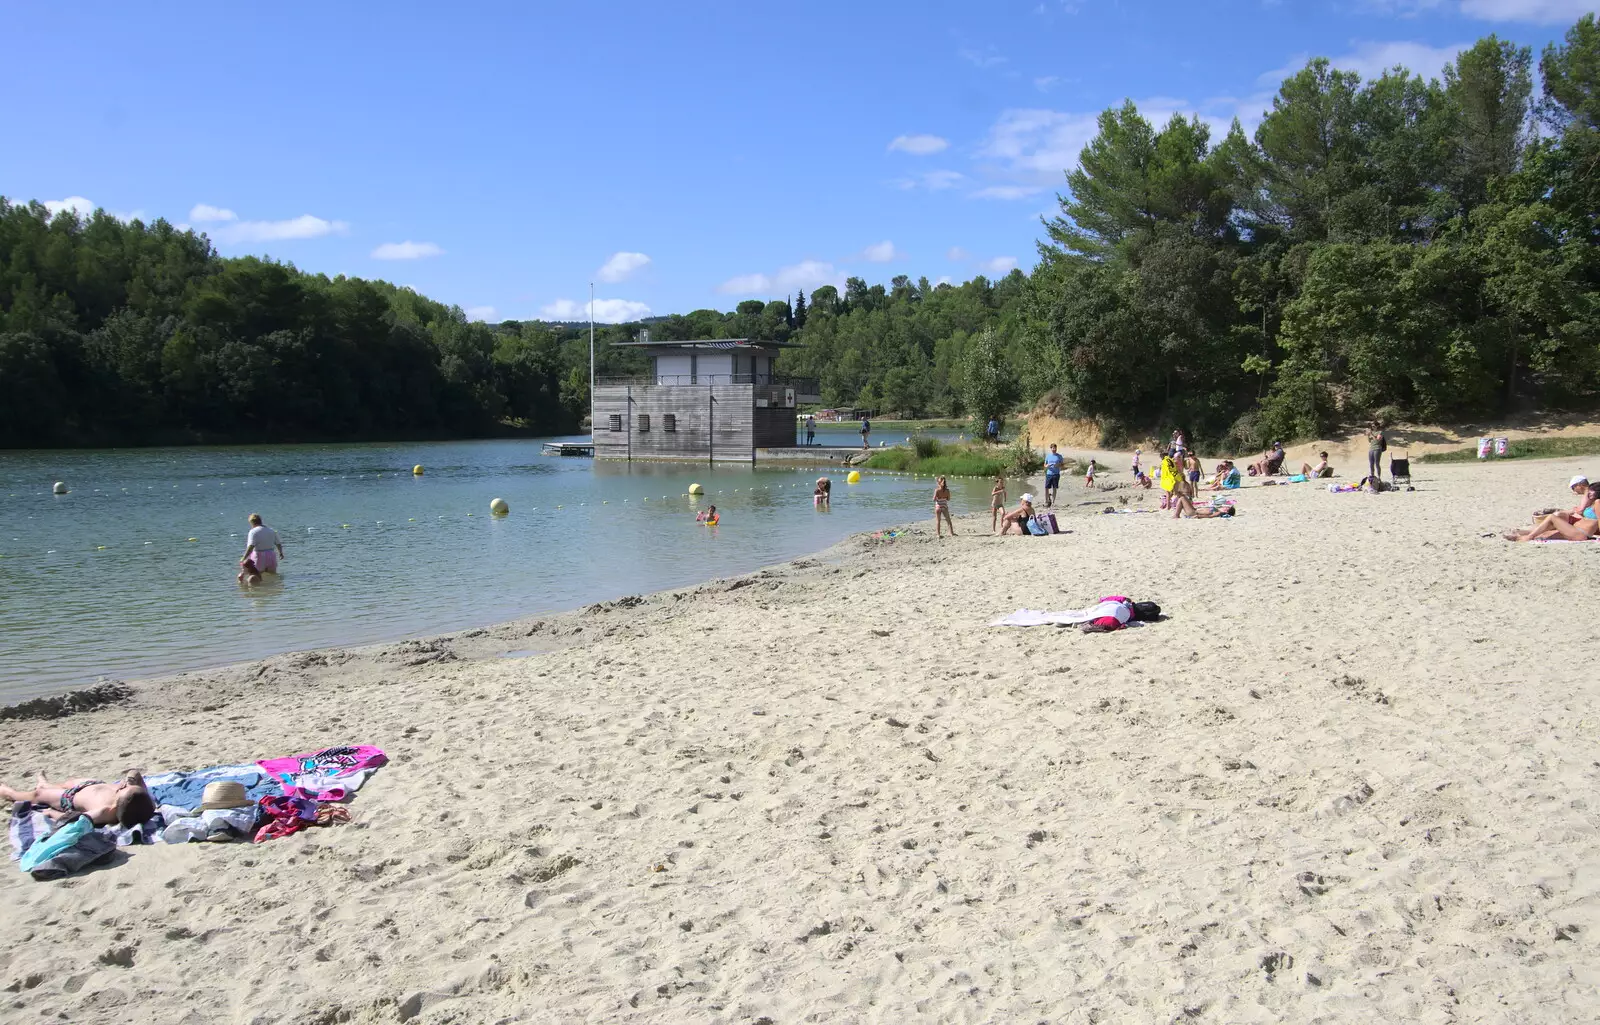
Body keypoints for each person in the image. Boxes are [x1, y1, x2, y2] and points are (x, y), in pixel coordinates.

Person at [0, 768, 154, 828]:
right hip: (92, 784)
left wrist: (51, 813)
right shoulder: (141, 799)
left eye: (124, 789)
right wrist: (130, 781)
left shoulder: (105, 812)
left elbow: (76, 818)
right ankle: (45, 783)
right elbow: (135, 774)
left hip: (70, 798)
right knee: (63, 784)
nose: (122, 786)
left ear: (117, 805)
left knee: (37, 795)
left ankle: (7, 791)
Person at [1506, 478, 1598, 541]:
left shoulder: (1598, 503)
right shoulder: (1592, 503)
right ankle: (1518, 536)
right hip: (1576, 530)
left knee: (1552, 517)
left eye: (1590, 492)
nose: (1588, 494)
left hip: (1581, 533)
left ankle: (1528, 537)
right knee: (1544, 535)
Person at [238, 513, 284, 584]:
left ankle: (257, 590)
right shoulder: (271, 530)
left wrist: (244, 557)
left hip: (259, 555)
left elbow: (251, 546)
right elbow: (278, 543)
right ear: (260, 521)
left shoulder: (253, 532)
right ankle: (272, 590)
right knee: (272, 575)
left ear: (252, 522)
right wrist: (280, 553)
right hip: (271, 555)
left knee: (256, 575)